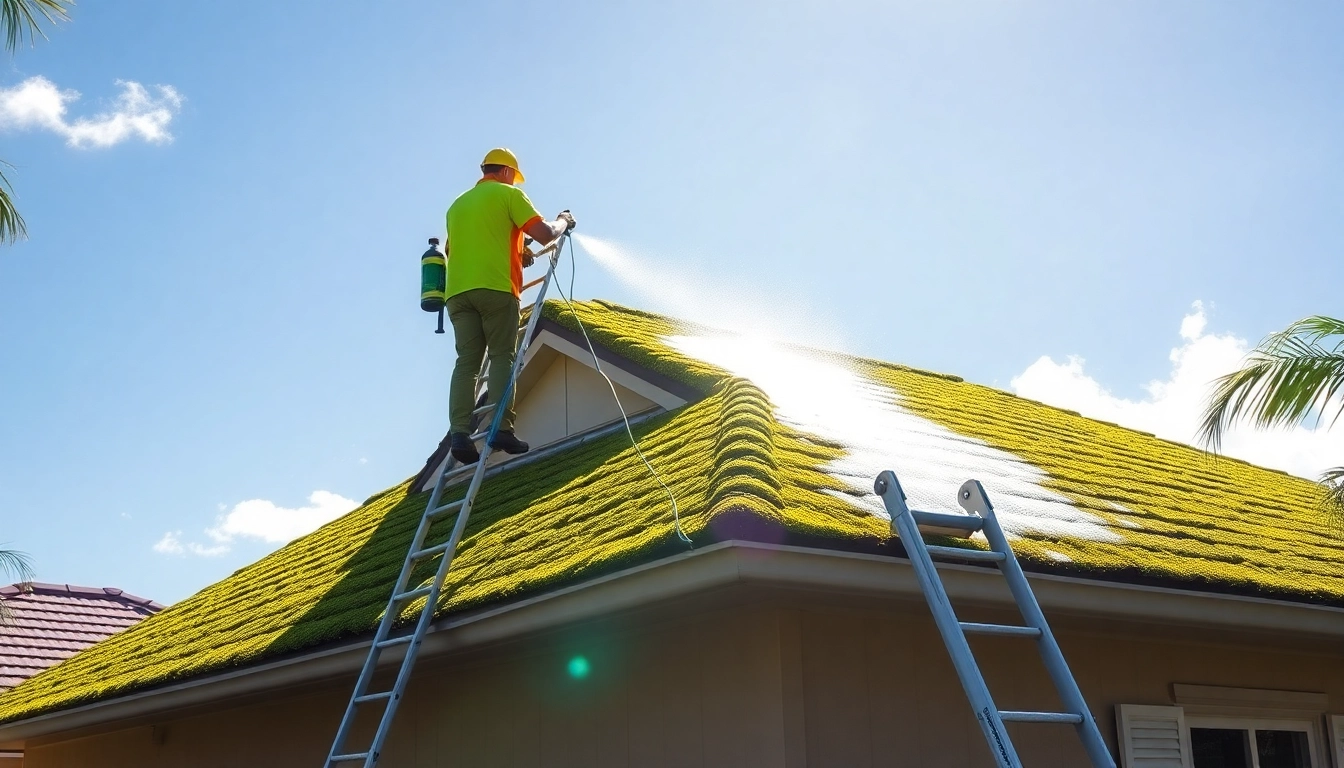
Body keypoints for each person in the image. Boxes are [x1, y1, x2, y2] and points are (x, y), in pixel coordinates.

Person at [443, 148, 575, 464]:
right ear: (505, 173)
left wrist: (517, 252)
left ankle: (459, 434)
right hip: (497, 288)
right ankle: (501, 428)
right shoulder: (508, 195)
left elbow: (457, 248)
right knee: (502, 355)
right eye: (514, 178)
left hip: (458, 293)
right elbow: (544, 234)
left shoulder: (457, 205)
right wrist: (562, 221)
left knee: (467, 363)